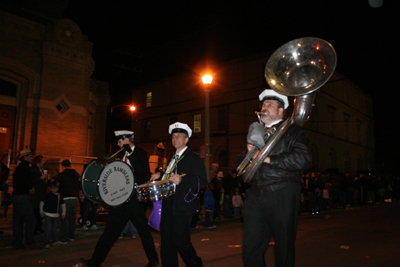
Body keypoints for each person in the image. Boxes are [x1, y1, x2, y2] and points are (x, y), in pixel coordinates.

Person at [241, 89, 310, 267]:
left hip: (282, 191)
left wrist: (268, 158)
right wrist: (248, 153)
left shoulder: (293, 131)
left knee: (283, 247)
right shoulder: (257, 131)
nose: (264, 107)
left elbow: (302, 159)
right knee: (251, 248)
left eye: (270, 105)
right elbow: (240, 164)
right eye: (263, 104)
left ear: (281, 110)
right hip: (255, 195)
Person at [81, 130, 159, 267]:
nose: (118, 144)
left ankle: (153, 261)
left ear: (126, 140)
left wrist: (131, 154)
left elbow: (144, 174)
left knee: (144, 232)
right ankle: (95, 261)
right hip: (121, 201)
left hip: (134, 200)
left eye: (119, 141)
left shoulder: (140, 153)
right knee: (110, 232)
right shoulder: (120, 155)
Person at [151, 122, 207, 267]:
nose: (175, 139)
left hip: (183, 206)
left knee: (182, 243)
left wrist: (183, 180)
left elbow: (203, 181)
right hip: (169, 203)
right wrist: (160, 174)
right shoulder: (172, 158)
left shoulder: (193, 158)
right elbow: (169, 175)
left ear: (186, 139)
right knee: (167, 242)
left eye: (179, 136)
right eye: (173, 136)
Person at [11, 149, 37, 249]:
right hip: (23, 196)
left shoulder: (18, 168)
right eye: (30, 156)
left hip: (16, 196)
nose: (31, 158)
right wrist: (30, 188)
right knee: (30, 220)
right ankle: (29, 242)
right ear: (25, 157)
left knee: (18, 220)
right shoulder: (26, 168)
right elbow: (26, 180)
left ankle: (17, 242)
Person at [55, 159, 81, 243]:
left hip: (65, 198)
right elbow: (80, 185)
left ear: (62, 166)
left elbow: (56, 185)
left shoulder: (61, 175)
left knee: (63, 219)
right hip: (74, 198)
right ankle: (71, 235)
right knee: (72, 218)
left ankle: (63, 237)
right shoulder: (76, 174)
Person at [40, 181, 66, 249]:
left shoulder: (59, 196)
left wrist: (63, 213)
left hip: (55, 215)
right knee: (48, 229)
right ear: (51, 188)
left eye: (56, 188)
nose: (55, 190)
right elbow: (42, 203)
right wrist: (41, 211)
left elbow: (63, 205)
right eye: (53, 188)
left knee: (54, 229)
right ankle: (47, 242)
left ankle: (54, 241)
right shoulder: (47, 195)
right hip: (48, 214)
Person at [31, 155, 48, 234]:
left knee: (40, 210)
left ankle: (38, 226)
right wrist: (41, 178)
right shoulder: (33, 169)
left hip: (41, 192)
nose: (43, 163)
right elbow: (32, 180)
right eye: (42, 161)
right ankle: (34, 228)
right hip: (36, 193)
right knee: (36, 210)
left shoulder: (41, 169)